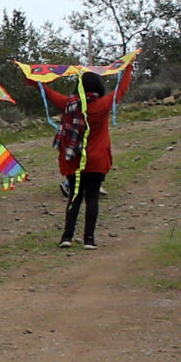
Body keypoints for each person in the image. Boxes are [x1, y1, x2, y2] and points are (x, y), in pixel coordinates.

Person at [47, 66, 134, 250]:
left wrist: (34, 81)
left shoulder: (68, 104)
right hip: (96, 159)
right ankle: (89, 239)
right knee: (92, 198)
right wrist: (129, 67)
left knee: (75, 197)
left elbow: (49, 93)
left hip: (74, 159)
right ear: (98, 87)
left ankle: (66, 237)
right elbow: (122, 89)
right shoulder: (103, 105)